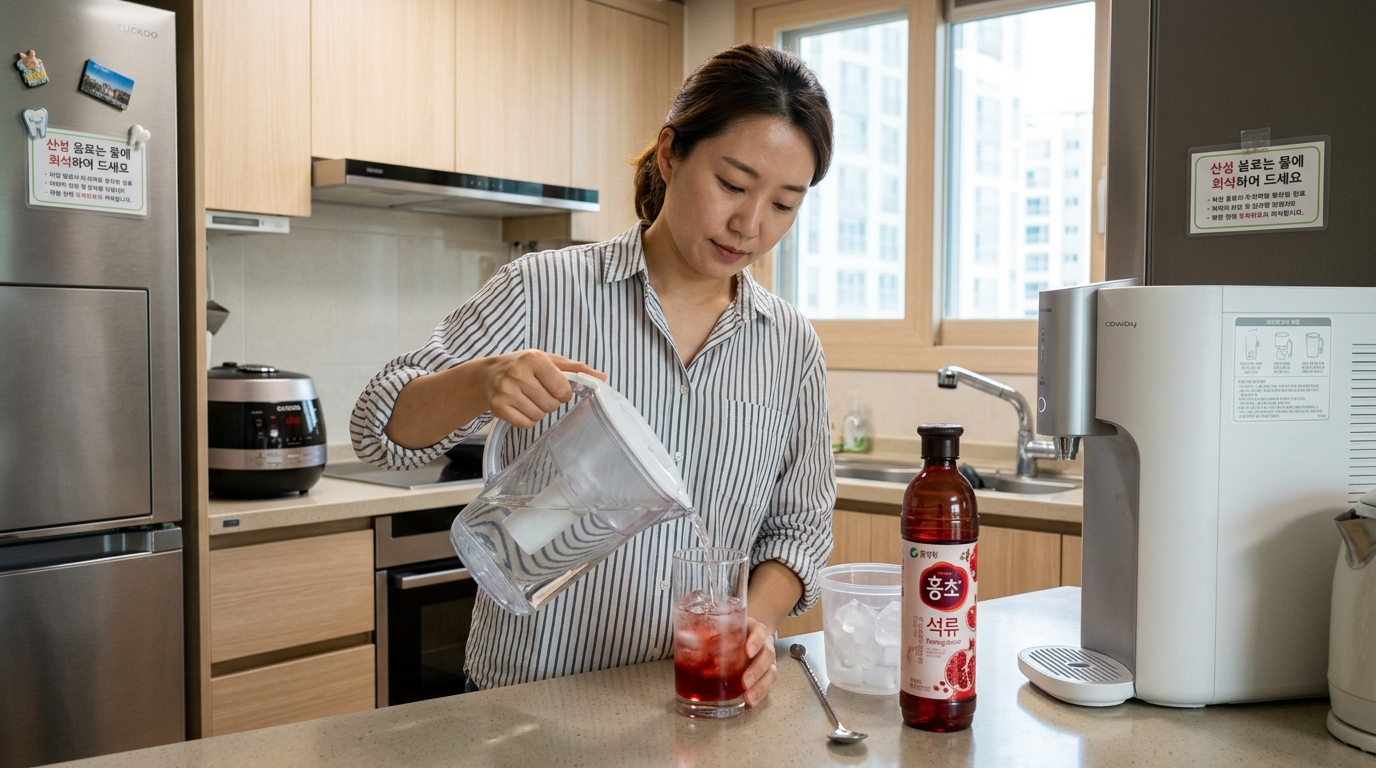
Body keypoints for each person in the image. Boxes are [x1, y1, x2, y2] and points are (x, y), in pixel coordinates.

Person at [351, 43, 836, 707]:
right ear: (671, 154)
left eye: (784, 204)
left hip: (694, 702)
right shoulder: (541, 289)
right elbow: (381, 433)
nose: (750, 225)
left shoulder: (789, 344)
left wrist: (755, 622)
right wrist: (480, 382)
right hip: (527, 701)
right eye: (732, 184)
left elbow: (801, 528)